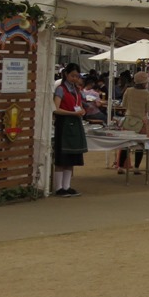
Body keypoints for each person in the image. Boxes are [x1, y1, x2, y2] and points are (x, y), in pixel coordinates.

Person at [52, 63, 88, 197]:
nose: (74, 78)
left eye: (77, 76)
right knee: (62, 157)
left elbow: (78, 105)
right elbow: (55, 109)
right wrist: (72, 113)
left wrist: (82, 111)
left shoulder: (77, 90)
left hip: (75, 123)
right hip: (64, 124)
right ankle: (59, 188)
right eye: (72, 75)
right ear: (66, 74)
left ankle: (67, 186)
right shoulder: (60, 89)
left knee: (71, 157)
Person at [118, 71, 149, 174]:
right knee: (140, 145)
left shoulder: (128, 91)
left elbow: (123, 105)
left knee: (125, 144)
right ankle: (136, 168)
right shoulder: (147, 93)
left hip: (128, 121)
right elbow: (148, 109)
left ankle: (120, 167)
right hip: (141, 122)